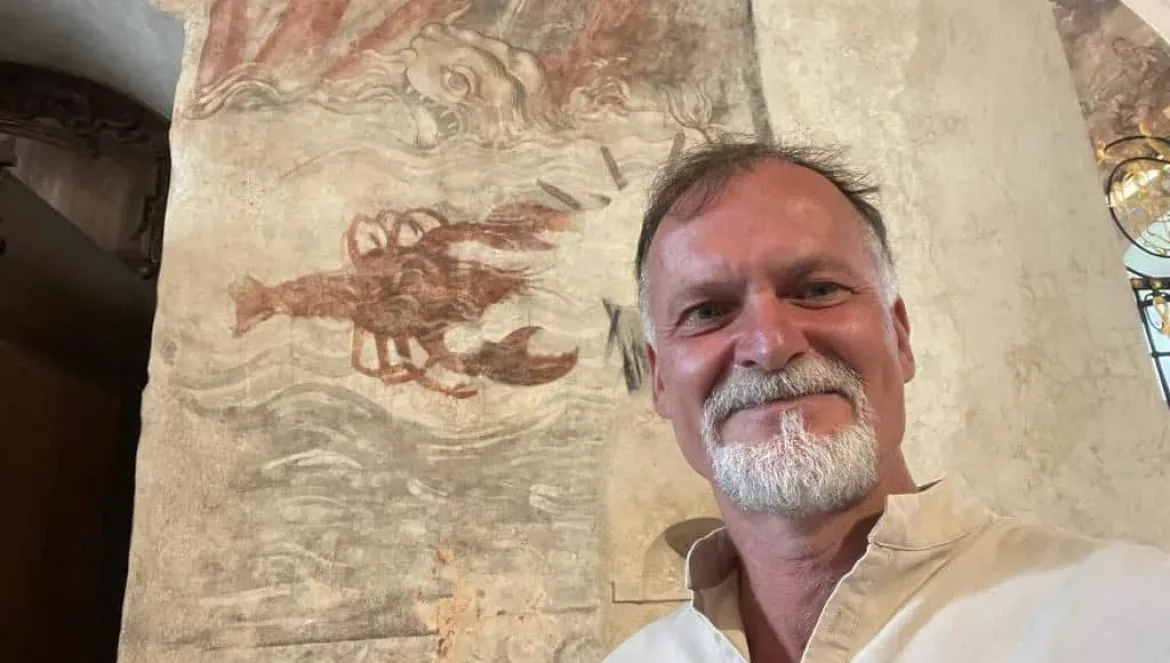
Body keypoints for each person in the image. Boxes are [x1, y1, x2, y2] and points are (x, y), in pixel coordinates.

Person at [604, 139, 1170, 662]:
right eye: (706, 311)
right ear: (659, 381)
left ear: (899, 338)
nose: (770, 345)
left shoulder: (1136, 617)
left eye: (818, 290)